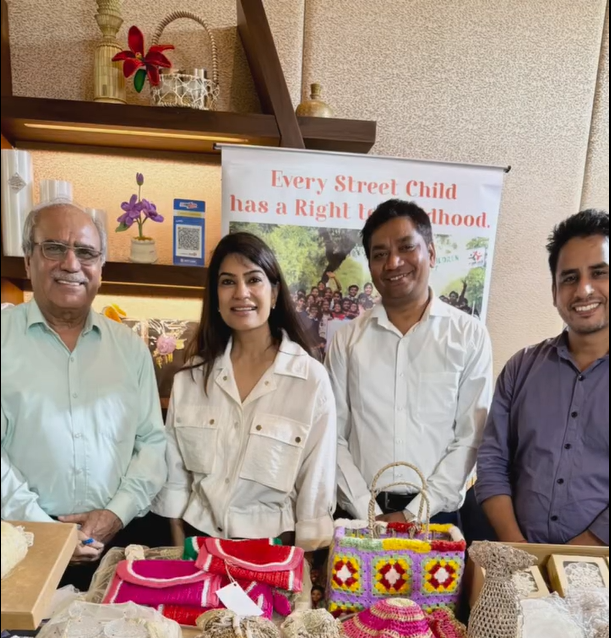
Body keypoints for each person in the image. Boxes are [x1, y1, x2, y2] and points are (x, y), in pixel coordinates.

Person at [1, 201, 167, 573]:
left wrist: (116, 513)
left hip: (119, 542)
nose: (71, 264)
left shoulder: (130, 349)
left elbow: (152, 444)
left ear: (100, 268)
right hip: (19, 543)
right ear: (27, 260)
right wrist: (44, 528)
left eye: (86, 253)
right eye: (54, 248)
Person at [153, 232, 337, 553]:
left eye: (253, 279)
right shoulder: (192, 378)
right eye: (228, 282)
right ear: (216, 297)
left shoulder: (309, 380)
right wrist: (182, 554)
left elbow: (315, 489)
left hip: (272, 551)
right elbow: (176, 478)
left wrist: (303, 568)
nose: (241, 293)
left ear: (274, 293)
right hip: (198, 544)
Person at [327, 199, 493, 525]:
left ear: (430, 253)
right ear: (370, 264)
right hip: (362, 515)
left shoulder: (468, 336)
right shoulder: (346, 341)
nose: (393, 262)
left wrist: (411, 513)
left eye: (406, 247)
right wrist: (368, 511)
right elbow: (333, 436)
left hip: (439, 515)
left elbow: (471, 437)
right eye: (380, 254)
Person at [477, 209, 609, 545]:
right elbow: (492, 463)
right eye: (569, 278)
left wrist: (574, 558)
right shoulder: (521, 368)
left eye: (599, 273)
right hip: (517, 561)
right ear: (554, 291)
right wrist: (521, 551)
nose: (584, 290)